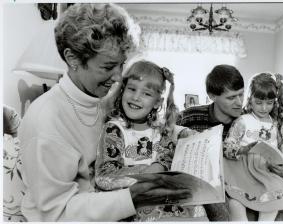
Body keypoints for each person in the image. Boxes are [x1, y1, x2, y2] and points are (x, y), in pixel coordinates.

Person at [18, 4, 188, 221]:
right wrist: (133, 198)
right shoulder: (45, 122)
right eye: (108, 67)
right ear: (73, 59)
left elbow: (146, 124)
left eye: (121, 65)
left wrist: (182, 134)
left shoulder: (102, 97)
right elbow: (56, 214)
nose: (118, 77)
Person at [177, 64, 283, 221]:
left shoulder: (262, 119)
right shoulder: (189, 117)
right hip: (223, 176)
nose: (239, 102)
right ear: (212, 96)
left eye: (241, 94)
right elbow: (168, 138)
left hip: (261, 174)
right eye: (231, 97)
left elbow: (278, 153)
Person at [95, 60, 207, 221]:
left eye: (146, 94)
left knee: (197, 207)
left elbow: (167, 157)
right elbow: (104, 175)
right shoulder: (114, 129)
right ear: (122, 91)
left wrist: (161, 167)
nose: (136, 97)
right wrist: (149, 172)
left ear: (157, 103)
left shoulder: (160, 130)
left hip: (159, 194)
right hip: (128, 199)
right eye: (132, 89)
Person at [223, 73, 283, 221]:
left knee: (276, 198)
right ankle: (239, 215)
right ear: (250, 100)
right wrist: (244, 149)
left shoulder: (277, 125)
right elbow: (227, 147)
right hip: (241, 169)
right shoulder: (243, 120)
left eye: (270, 103)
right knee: (236, 201)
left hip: (265, 172)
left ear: (275, 102)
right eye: (259, 102)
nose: (264, 108)